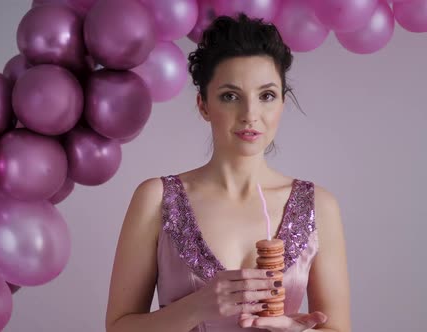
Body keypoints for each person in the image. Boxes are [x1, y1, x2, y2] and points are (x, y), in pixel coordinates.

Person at [105, 13, 350, 332]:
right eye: (230, 96)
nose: (250, 114)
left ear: (281, 104)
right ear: (203, 105)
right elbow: (118, 327)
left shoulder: (318, 205)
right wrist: (196, 307)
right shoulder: (158, 198)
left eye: (266, 96)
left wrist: (294, 330)